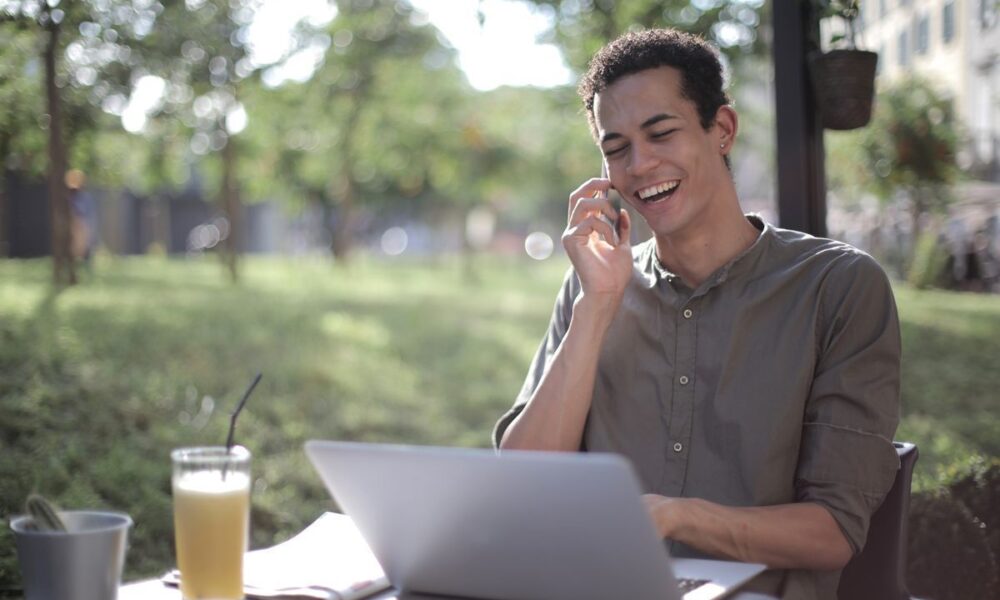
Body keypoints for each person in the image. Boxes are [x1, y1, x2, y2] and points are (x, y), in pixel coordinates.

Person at [492, 29, 900, 600]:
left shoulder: (838, 287)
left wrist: (674, 517)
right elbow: (522, 482)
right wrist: (598, 307)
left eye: (661, 133)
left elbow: (831, 532)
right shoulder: (594, 287)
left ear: (722, 130)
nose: (640, 165)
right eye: (616, 148)